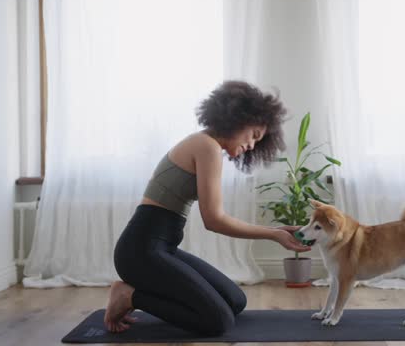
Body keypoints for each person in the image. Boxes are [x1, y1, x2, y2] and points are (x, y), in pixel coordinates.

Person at [103, 81, 311, 335]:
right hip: (140, 252)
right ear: (237, 118)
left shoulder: (207, 145)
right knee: (218, 322)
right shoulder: (206, 146)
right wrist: (273, 233)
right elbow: (214, 220)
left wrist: (276, 230)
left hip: (161, 248)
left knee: (236, 301)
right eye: (254, 135)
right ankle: (129, 296)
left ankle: (135, 293)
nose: (253, 145)